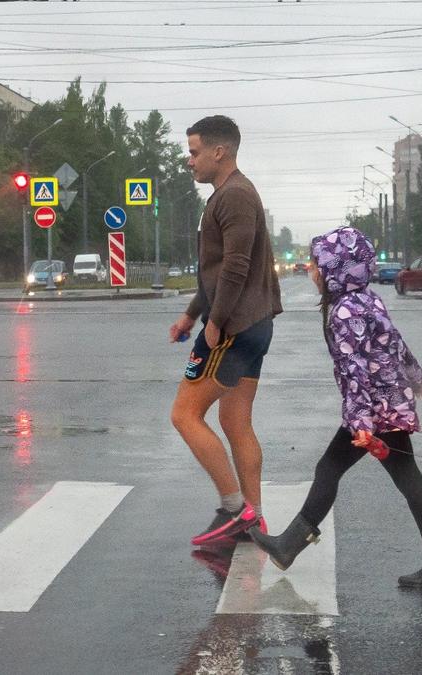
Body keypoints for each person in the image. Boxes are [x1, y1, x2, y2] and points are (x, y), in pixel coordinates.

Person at [249, 226, 422, 590]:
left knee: (330, 467)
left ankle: (287, 546)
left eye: (317, 265)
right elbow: (397, 346)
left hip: (373, 411)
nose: (313, 271)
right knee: (407, 478)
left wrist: (361, 423)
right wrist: (419, 381)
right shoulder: (368, 299)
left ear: (336, 269)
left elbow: (354, 369)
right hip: (388, 406)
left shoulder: (345, 311)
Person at [168, 115, 282, 548]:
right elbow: (217, 271)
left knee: (184, 414)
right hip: (252, 324)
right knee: (235, 422)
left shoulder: (233, 196)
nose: (189, 160)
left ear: (220, 152)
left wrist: (213, 324)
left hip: (233, 327)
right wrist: (191, 314)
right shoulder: (231, 193)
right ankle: (254, 521)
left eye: (194, 151)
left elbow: (235, 267)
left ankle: (235, 508)